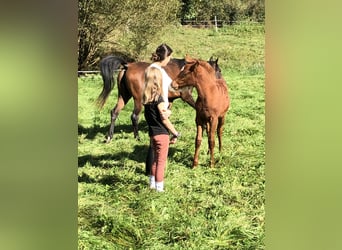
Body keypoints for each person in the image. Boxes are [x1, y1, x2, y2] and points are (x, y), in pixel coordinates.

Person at [142, 49, 180, 192]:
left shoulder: (146, 99)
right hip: (162, 134)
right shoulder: (159, 100)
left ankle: (152, 183)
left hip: (152, 133)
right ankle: (159, 188)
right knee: (161, 162)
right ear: (159, 81)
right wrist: (175, 133)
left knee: (155, 159)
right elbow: (164, 119)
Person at [145, 44, 175, 176]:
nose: (170, 59)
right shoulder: (158, 71)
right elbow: (172, 86)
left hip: (153, 107)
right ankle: (157, 183)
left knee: (153, 142)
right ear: (166, 57)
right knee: (159, 152)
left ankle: (151, 176)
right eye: (170, 56)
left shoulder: (151, 68)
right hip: (160, 108)